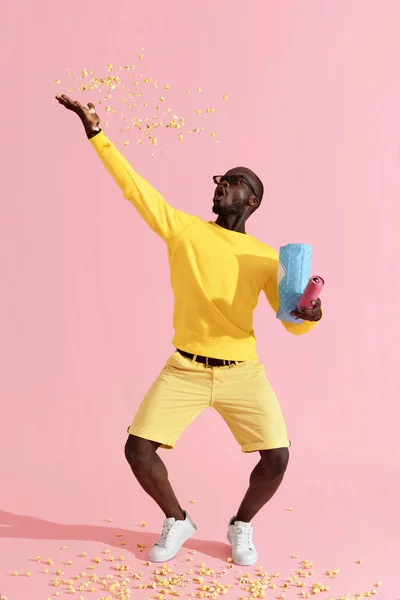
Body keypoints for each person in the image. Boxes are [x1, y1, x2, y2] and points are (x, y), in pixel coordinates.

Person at [56, 94, 322, 567]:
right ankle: (177, 519)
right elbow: (135, 189)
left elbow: (293, 324)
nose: (222, 185)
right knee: (138, 449)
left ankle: (241, 525)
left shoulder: (267, 258)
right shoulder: (184, 230)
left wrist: (309, 314)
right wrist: (97, 134)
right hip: (185, 368)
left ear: (252, 199)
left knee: (277, 459)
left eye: (233, 182)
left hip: (243, 371)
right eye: (220, 180)